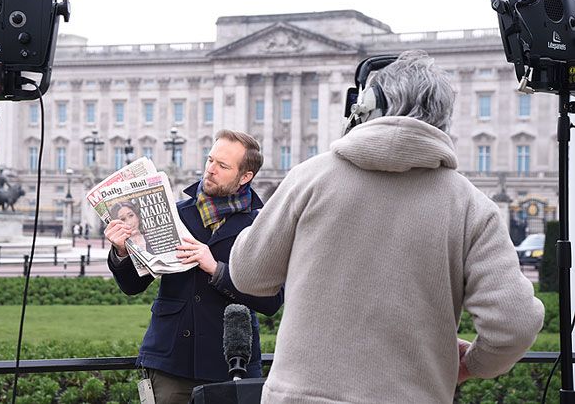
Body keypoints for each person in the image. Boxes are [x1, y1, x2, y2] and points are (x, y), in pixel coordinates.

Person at [228, 51, 544, 404]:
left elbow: (249, 275)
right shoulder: (471, 206)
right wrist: (472, 364)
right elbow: (514, 323)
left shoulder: (309, 177)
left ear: (366, 107)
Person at [105, 129, 284, 404]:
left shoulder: (261, 225)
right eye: (210, 160)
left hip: (231, 363)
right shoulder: (175, 213)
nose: (210, 170)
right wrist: (121, 252)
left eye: (222, 166)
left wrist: (217, 269)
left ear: (245, 176)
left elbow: (272, 301)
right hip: (170, 360)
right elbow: (133, 286)